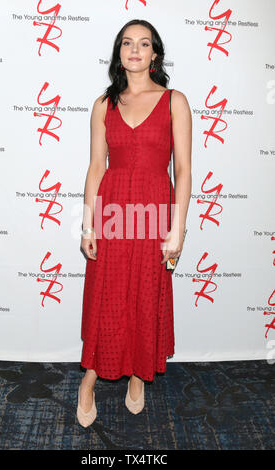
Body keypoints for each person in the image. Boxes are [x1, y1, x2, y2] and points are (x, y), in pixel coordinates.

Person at [77, 19, 192, 427]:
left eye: (144, 44)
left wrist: (178, 227)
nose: (135, 49)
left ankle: (139, 376)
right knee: (107, 299)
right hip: (113, 211)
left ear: (155, 54)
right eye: (128, 43)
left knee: (145, 296)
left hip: (155, 212)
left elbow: (184, 170)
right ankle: (88, 380)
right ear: (119, 52)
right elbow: (95, 168)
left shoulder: (174, 101)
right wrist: (88, 225)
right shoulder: (103, 105)